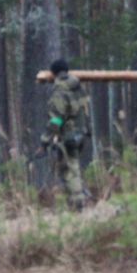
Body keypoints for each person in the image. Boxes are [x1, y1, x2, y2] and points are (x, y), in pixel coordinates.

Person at [37, 59, 91, 209]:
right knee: (72, 167)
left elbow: (56, 119)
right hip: (81, 134)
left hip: (69, 136)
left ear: (54, 74)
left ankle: (78, 204)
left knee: (69, 170)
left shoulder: (60, 91)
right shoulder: (78, 87)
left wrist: (44, 141)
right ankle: (77, 201)